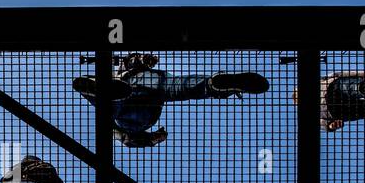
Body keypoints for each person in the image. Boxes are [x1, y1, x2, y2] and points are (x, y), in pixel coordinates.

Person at [72, 52, 269, 147]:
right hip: (153, 86)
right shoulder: (129, 67)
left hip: (134, 108)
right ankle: (212, 85)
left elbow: (125, 139)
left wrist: (151, 139)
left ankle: (99, 90)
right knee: (183, 87)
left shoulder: (121, 74)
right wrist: (143, 60)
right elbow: (133, 59)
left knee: (115, 113)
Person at [292, 71, 365, 132]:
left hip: (334, 108)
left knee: (363, 108)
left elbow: (320, 124)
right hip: (333, 92)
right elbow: (338, 74)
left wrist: (329, 126)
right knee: (356, 90)